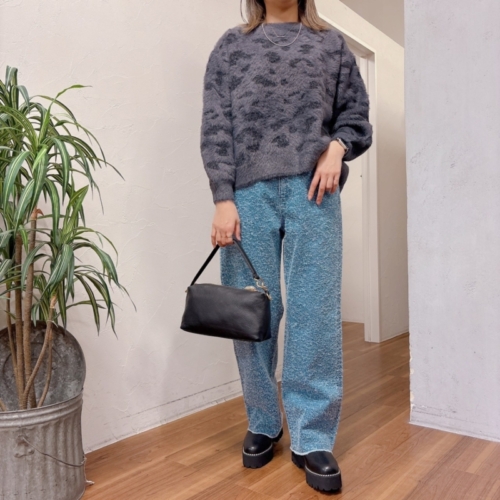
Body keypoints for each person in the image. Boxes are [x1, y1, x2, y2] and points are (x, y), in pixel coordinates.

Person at [199, 0, 373, 493]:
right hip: (247, 197)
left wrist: (337, 148)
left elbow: (356, 115)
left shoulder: (331, 45)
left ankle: (312, 434)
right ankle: (263, 420)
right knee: (252, 312)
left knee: (315, 310)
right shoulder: (231, 47)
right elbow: (216, 128)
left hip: (314, 192)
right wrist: (223, 198)